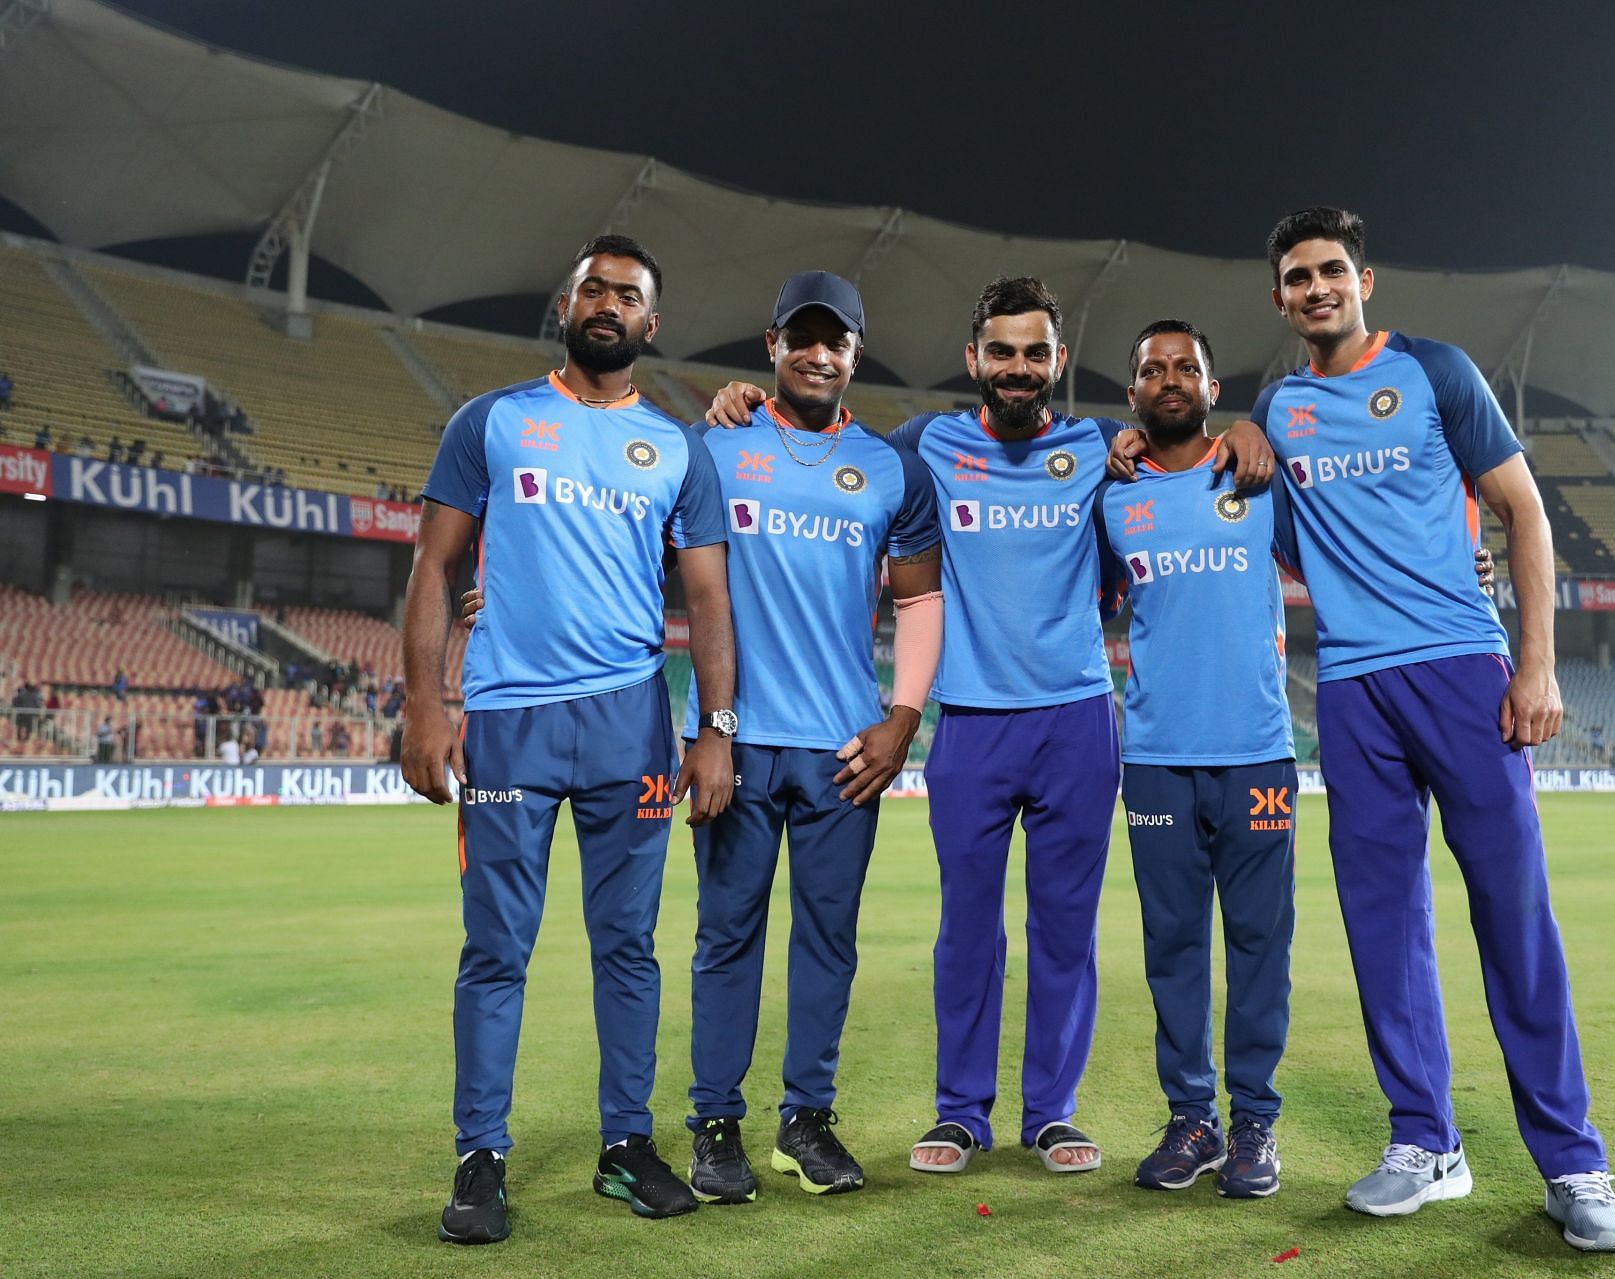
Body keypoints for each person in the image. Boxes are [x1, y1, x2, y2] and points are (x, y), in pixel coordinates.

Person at [1118, 207, 1615, 1252]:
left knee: (1512, 912)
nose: (1316, 289)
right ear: (1279, 298)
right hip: (1353, 692)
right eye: (1297, 277)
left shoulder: (1438, 371)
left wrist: (1535, 662)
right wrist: (1218, 433)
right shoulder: (1279, 408)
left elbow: (1523, 511)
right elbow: (1285, 533)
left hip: (1460, 671)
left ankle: (1575, 1161)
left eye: (1330, 272)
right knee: (1384, 924)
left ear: (1365, 279)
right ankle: (1426, 1143)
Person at [705, 278, 1274, 1176]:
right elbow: (825, 444)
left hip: (1078, 719)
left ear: (1056, 364)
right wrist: (747, 403)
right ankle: (960, 1111)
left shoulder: (1099, 449)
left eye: (1036, 352)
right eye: (1001, 351)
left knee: (1065, 928)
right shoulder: (921, 446)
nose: (1019, 367)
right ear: (974, 360)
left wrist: (1245, 427)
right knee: (967, 926)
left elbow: (1175, 465)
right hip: (968, 722)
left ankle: (1050, 1110)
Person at [463, 270, 945, 1204]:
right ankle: (715, 1127)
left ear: (853, 351)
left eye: (835, 339)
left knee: (828, 940)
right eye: (800, 337)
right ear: (771, 346)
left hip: (847, 744)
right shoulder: (711, 443)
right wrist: (507, 599)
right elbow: (617, 540)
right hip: (737, 738)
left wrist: (901, 717)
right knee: (724, 936)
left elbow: (921, 598)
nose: (818, 353)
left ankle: (806, 1119)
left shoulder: (892, 467)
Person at [403, 234, 736, 1243]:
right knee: (496, 947)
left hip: (631, 718)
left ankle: (625, 1147)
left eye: (629, 294)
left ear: (652, 323)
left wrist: (716, 728)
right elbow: (432, 565)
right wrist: (425, 701)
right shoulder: (492, 421)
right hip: (508, 718)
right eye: (595, 286)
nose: (609, 303)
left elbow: (711, 599)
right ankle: (480, 1156)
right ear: (566, 303)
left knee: (627, 945)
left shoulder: (678, 448)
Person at [1093, 320, 1300, 1200]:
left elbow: (1352, 549)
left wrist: (1258, 431)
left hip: (1258, 753)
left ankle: (1253, 1120)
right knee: (1173, 946)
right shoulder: (1112, 495)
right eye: (1152, 369)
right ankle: (1192, 1119)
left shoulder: (1261, 474)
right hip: (1156, 759)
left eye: (1186, 367)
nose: (1169, 378)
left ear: (1214, 387)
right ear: (1132, 394)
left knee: (1260, 945)